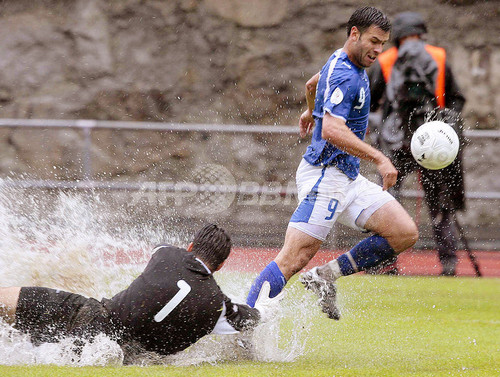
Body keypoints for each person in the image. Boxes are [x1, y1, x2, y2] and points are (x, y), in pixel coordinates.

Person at [246, 6, 419, 319]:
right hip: (325, 177)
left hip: (347, 177)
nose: (378, 50)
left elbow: (312, 85)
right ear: (354, 34)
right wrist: (379, 157)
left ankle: (325, 275)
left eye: (383, 44)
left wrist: (311, 110)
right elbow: (332, 128)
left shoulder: (340, 59)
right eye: (373, 41)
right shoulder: (346, 74)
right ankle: (241, 324)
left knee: (403, 232)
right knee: (294, 258)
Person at [0, 224, 279, 359]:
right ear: (220, 265)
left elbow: (163, 255)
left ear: (191, 247)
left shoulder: (167, 254)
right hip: (127, 356)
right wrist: (264, 310)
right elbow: (249, 317)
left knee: (7, 302)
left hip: (93, 319)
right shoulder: (216, 305)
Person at [368, 12, 466, 276]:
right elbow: (456, 99)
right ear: (422, 32)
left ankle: (385, 263)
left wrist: (377, 124)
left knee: (388, 201)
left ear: (396, 36)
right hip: (435, 143)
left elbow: (369, 100)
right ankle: (449, 264)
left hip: (395, 143)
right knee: (440, 204)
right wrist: (446, 124)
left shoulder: (385, 60)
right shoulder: (440, 56)